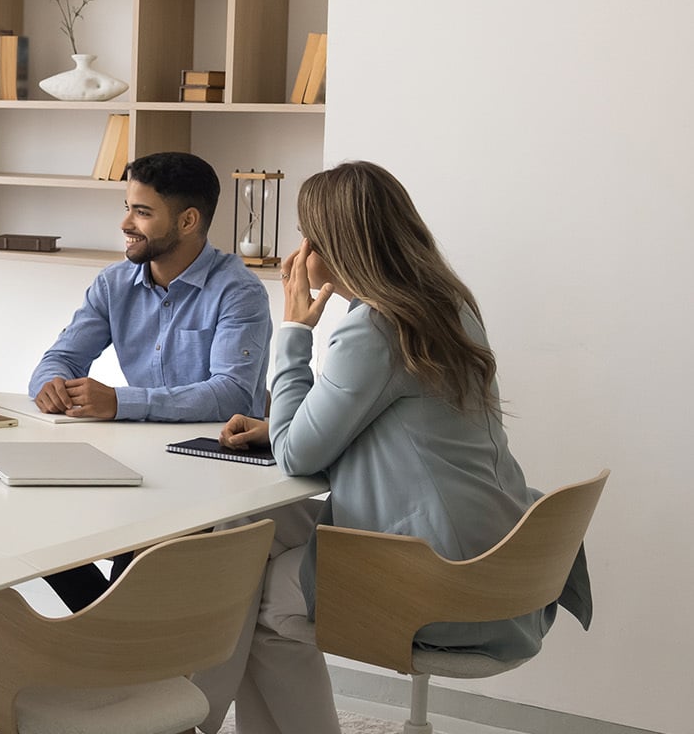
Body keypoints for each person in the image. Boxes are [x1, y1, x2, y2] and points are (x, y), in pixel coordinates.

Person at [192, 161, 591, 734]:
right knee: (248, 527)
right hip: (491, 550)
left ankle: (180, 715)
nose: (301, 250)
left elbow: (297, 456)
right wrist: (284, 420)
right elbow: (373, 421)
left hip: (438, 578)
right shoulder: (448, 306)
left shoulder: (375, 329)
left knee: (242, 590)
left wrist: (295, 332)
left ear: (338, 245)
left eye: (309, 235)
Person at [28, 151, 273, 612]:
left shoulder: (238, 291)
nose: (126, 222)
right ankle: (111, 638)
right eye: (127, 206)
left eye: (142, 212)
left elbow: (233, 394)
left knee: (132, 583)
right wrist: (51, 383)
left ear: (187, 221)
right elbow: (61, 357)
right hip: (136, 465)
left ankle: (114, 643)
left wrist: (121, 403)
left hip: (211, 473)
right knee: (32, 524)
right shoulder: (113, 284)